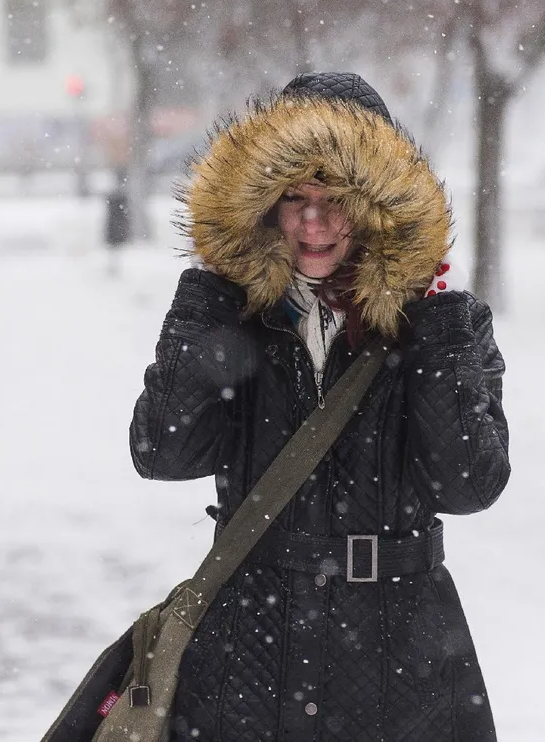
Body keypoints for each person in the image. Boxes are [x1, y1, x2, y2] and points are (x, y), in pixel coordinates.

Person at [130, 72, 509, 740]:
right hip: (250, 647)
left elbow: (468, 485)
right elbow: (162, 453)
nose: (314, 220)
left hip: (402, 655)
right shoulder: (235, 318)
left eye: (336, 198)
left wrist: (435, 327)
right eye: (293, 197)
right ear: (260, 205)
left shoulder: (444, 327)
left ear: (378, 206)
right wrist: (204, 298)